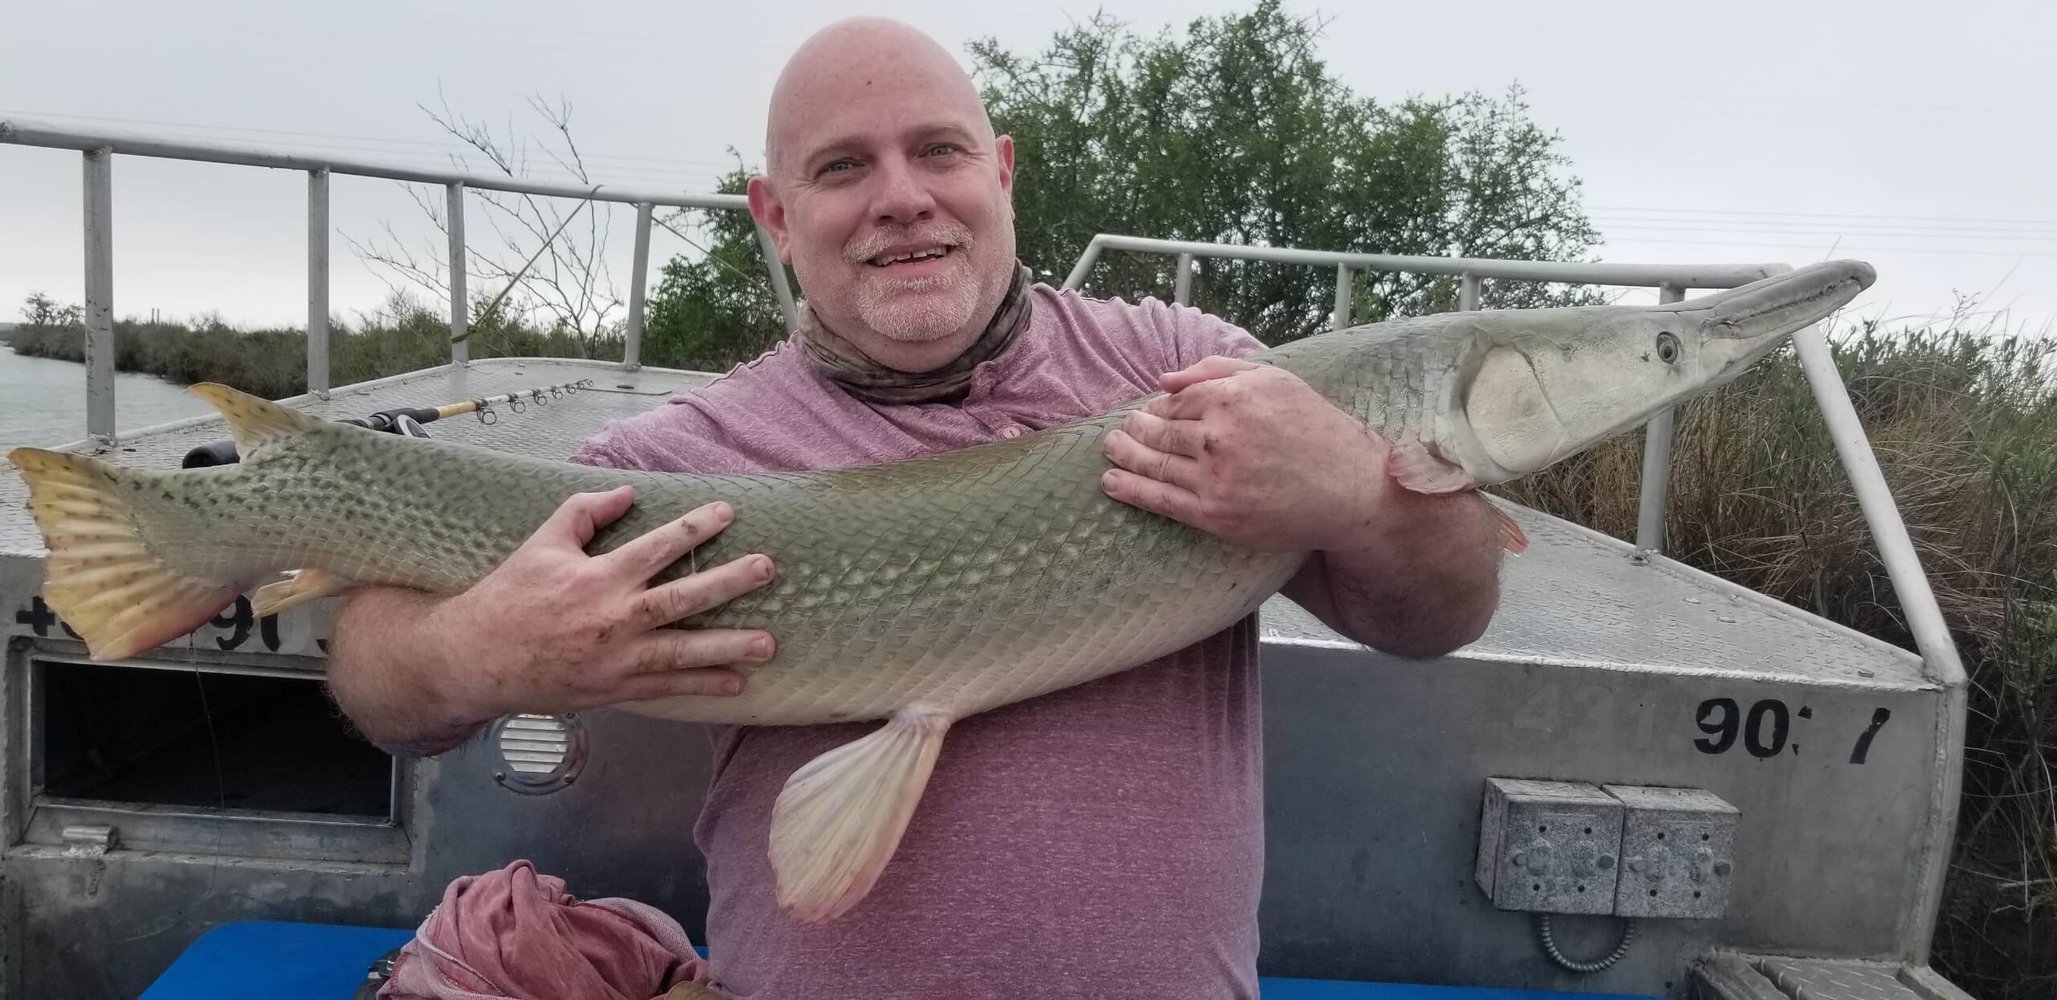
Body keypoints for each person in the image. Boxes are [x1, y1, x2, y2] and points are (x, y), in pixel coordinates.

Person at [326, 16, 1505, 999]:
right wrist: (477, 649)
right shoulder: (685, 457)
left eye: (936, 152)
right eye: (842, 168)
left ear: (997, 172)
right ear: (776, 218)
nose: (902, 198)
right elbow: (380, 679)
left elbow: (1435, 615)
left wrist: (1356, 490)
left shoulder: (1195, 376)